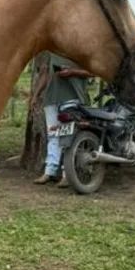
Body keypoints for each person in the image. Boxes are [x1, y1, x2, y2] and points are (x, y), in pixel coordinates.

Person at [34, 54, 96, 185]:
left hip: (71, 98)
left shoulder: (78, 50)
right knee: (53, 135)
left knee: (68, 137)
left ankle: (67, 174)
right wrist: (36, 95)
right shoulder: (52, 52)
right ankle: (49, 171)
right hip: (51, 99)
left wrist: (73, 72)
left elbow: (92, 72)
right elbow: (44, 74)